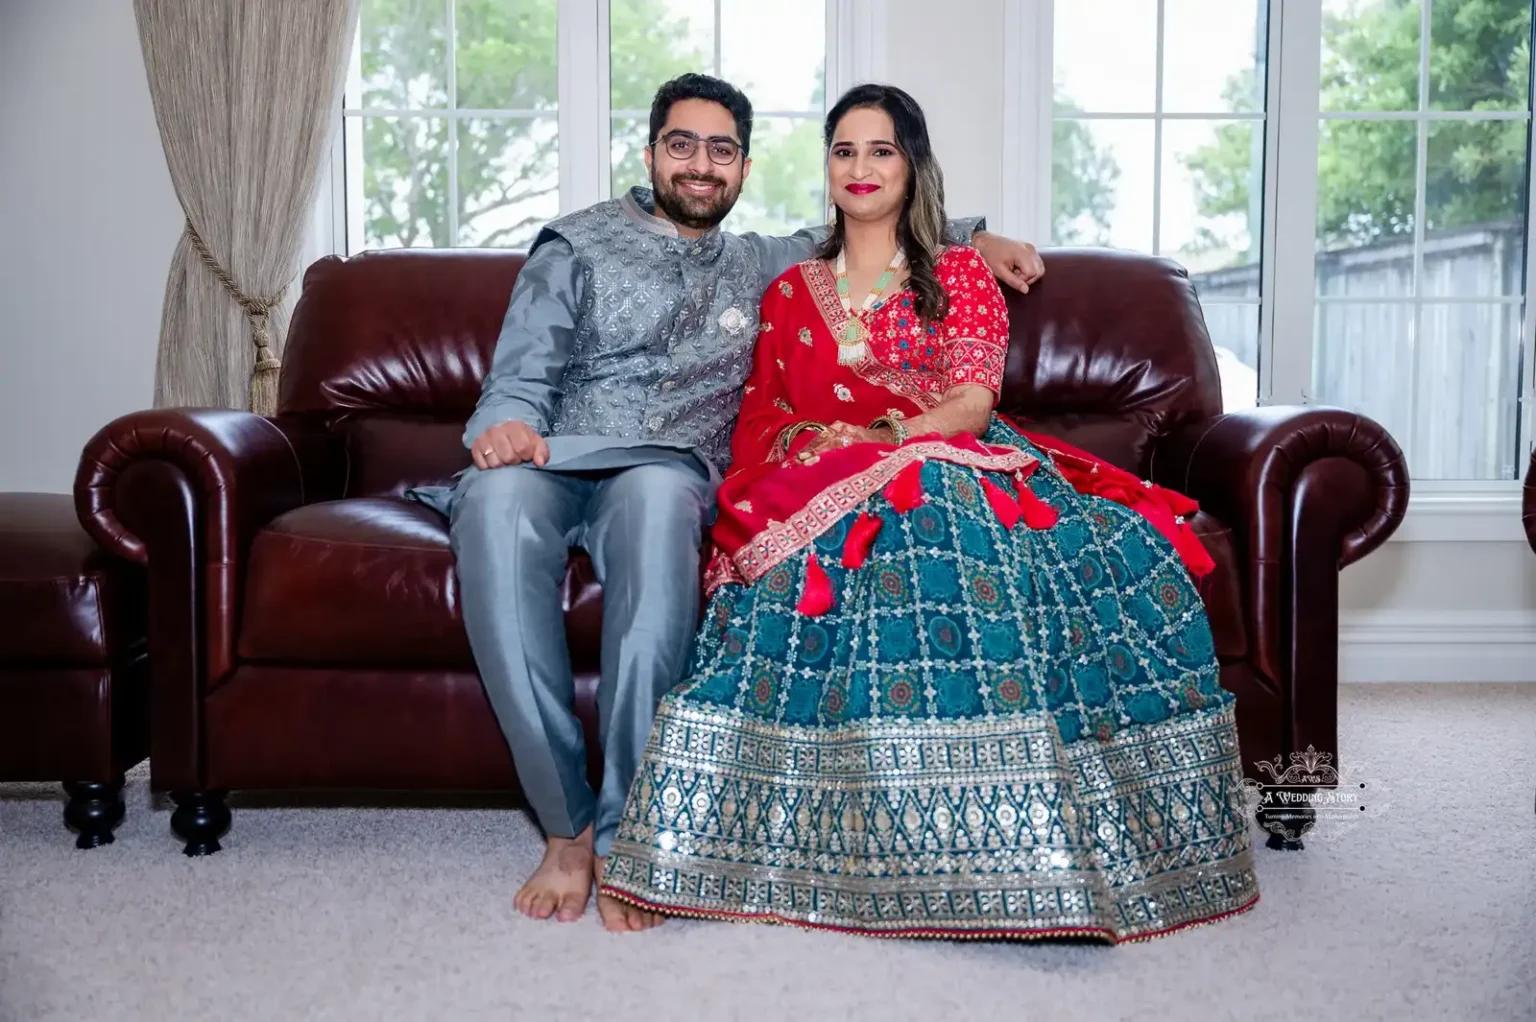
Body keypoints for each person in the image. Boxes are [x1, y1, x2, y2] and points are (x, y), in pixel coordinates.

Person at [597, 83, 1258, 944]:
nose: (861, 168)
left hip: (949, 459)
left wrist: (879, 434)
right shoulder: (791, 290)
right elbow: (761, 418)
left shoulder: (958, 274)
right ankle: (723, 855)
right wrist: (821, 444)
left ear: (912, 167)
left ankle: (1010, 857)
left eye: (881, 151)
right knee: (821, 557)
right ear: (825, 169)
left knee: (936, 504)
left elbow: (971, 407)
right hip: (820, 475)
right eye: (844, 151)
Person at [407, 73, 1045, 934]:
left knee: (662, 507)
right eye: (682, 144)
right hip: (550, 456)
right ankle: (567, 829)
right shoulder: (575, 243)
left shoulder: (763, 263)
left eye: (721, 150)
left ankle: (634, 834)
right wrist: (507, 427)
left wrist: (978, 231)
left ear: (743, 167)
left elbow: (875, 221)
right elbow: (519, 373)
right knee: (492, 510)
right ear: (650, 154)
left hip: (664, 470)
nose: (701, 165)